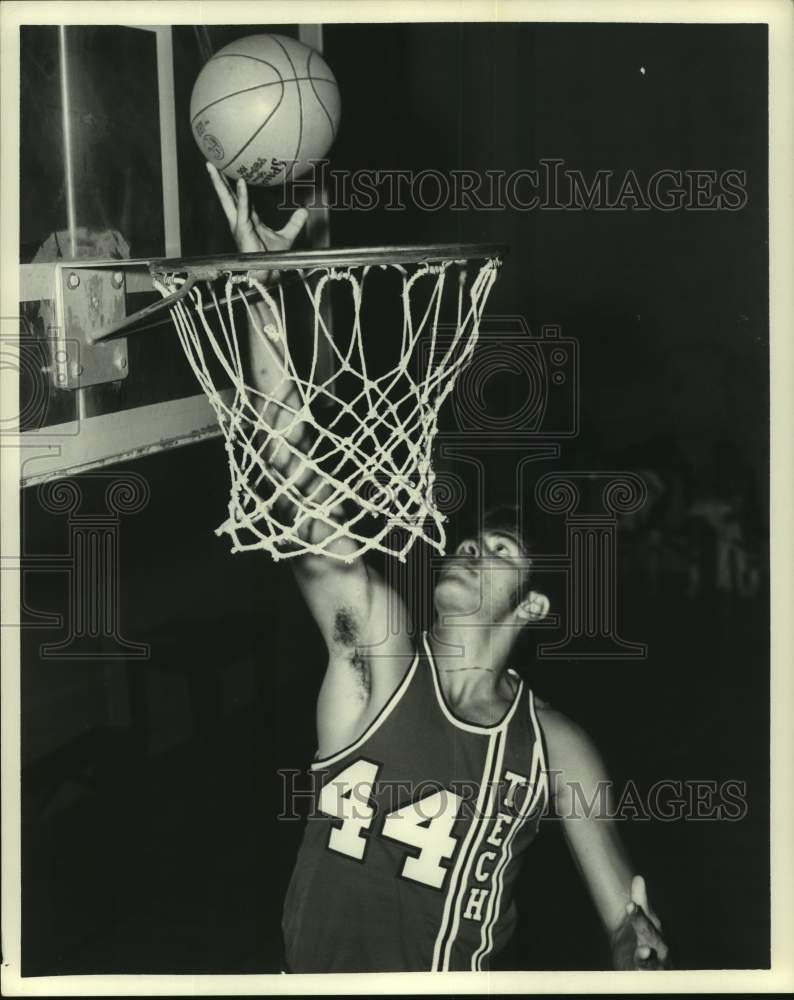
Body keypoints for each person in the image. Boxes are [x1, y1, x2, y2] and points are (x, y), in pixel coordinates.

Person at [206, 162, 672, 974]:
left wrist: (639, 944)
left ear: (533, 608)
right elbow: (295, 477)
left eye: (501, 553)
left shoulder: (553, 746)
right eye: (470, 541)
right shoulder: (380, 655)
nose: (469, 549)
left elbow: (623, 924)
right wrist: (260, 285)